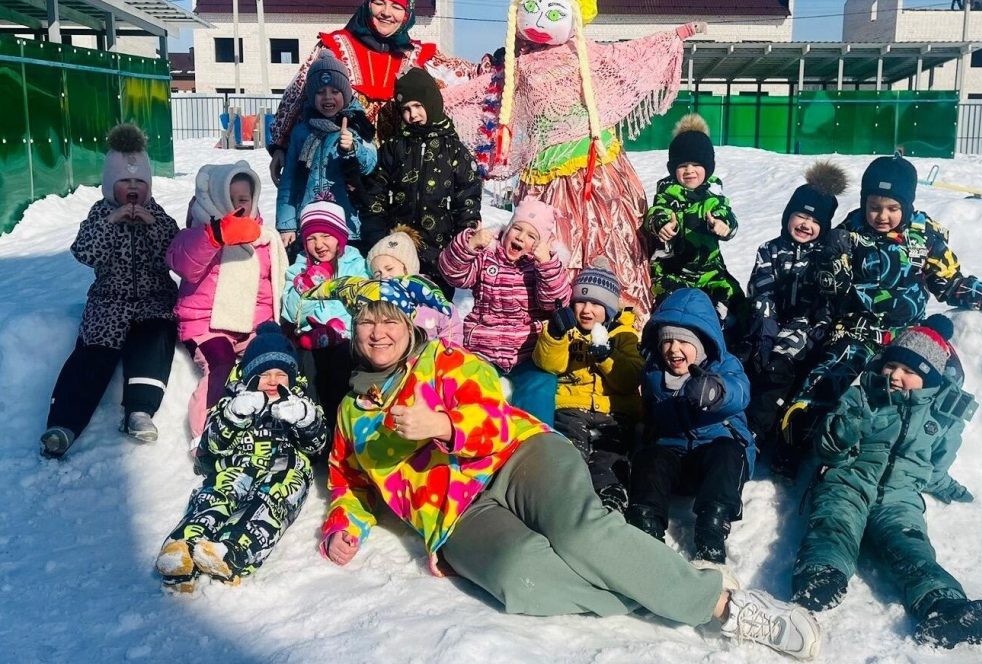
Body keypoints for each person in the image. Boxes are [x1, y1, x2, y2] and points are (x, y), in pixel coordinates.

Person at [319, 280, 822, 660]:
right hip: (456, 517)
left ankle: (725, 608)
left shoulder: (444, 362)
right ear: (354, 331)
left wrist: (445, 425)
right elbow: (349, 481)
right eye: (368, 322)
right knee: (522, 579)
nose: (379, 333)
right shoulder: (350, 413)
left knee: (579, 532)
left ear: (410, 327)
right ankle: (652, 585)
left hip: (516, 456)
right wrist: (344, 522)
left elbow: (496, 411)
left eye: (391, 322)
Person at [443, 0, 708, 322]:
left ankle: (621, 328)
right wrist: (436, 98)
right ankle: (550, 328)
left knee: (612, 242)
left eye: (554, 9)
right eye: (532, 7)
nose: (540, 18)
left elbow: (630, 56)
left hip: (597, 175)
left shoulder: (590, 54)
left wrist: (675, 35)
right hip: (542, 183)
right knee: (546, 251)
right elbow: (480, 93)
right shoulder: (516, 65)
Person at [776, 153, 982, 472]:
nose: (882, 215)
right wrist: (829, 258)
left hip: (905, 337)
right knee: (824, 381)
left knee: (943, 379)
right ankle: (798, 444)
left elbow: (948, 281)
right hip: (856, 331)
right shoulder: (851, 232)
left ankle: (926, 447)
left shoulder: (924, 235)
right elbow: (830, 289)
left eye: (893, 208)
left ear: (907, 205)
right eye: (874, 206)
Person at [790, 316, 982, 648]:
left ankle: (944, 605)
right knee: (835, 523)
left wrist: (948, 487)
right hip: (850, 480)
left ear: (930, 379)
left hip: (899, 496)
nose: (895, 375)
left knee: (911, 546)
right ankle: (821, 574)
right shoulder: (864, 395)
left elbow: (936, 465)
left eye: (909, 372)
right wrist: (849, 425)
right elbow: (829, 450)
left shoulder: (942, 417)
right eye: (891, 366)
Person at [268, 0, 479, 183]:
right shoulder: (334, 49)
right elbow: (298, 95)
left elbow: (468, 79)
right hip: (339, 175)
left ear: (408, 14)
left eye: (397, 6)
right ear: (367, 3)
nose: (386, 12)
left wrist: (509, 61)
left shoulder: (417, 57)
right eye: (379, 2)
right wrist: (279, 146)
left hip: (398, 179)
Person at [40, 125, 179, 458]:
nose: (133, 188)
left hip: (153, 300)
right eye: (125, 182)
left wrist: (154, 227)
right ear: (109, 185)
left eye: (139, 183)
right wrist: (110, 223)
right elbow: (85, 253)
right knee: (94, 352)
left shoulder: (158, 216)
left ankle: (140, 411)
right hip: (109, 302)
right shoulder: (100, 215)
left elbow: (174, 256)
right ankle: (64, 423)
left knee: (155, 340)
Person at [156, 322, 327, 591]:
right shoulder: (234, 400)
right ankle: (182, 547)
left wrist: (305, 420)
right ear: (249, 375)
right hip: (239, 466)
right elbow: (212, 445)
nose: (272, 381)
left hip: (286, 470)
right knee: (215, 496)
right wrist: (233, 416)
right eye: (264, 373)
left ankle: (232, 552)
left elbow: (317, 445)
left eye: (280, 373)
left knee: (271, 505)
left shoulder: (300, 402)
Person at [624, 288, 755, 567]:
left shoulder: (724, 365)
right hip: (673, 458)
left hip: (714, 459)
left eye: (683, 341)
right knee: (649, 458)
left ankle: (712, 530)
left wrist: (716, 392)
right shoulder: (654, 373)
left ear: (703, 342)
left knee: (728, 452)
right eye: (666, 342)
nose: (673, 349)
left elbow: (740, 391)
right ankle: (645, 525)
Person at [166, 161, 288, 447]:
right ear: (216, 199)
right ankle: (207, 435)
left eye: (243, 200)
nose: (237, 206)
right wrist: (216, 236)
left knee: (271, 360)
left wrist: (270, 327)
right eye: (229, 200)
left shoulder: (263, 239)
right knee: (220, 363)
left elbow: (269, 289)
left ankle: (272, 428)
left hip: (251, 326)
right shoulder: (198, 234)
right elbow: (183, 262)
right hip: (207, 325)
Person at [438, 197, 571, 424]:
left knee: (540, 386)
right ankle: (473, 439)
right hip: (483, 348)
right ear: (507, 230)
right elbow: (453, 274)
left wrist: (546, 264)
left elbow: (555, 301)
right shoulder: (487, 256)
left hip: (526, 353)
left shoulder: (539, 266)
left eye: (532, 236)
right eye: (517, 229)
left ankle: (535, 441)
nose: (521, 237)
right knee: (471, 390)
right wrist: (469, 246)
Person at [744, 161, 848, 447]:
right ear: (787, 216)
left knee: (779, 366)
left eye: (815, 222)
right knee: (747, 357)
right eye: (800, 216)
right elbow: (761, 290)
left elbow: (828, 301)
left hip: (805, 326)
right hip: (767, 320)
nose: (806, 225)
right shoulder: (770, 249)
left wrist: (816, 328)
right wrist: (766, 330)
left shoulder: (823, 257)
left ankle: (758, 429)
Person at [532, 261, 643, 512]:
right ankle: (570, 491)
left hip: (613, 410)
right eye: (581, 301)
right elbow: (550, 364)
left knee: (611, 451)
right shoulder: (568, 331)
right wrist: (556, 336)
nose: (586, 310)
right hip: (572, 405)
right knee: (571, 447)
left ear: (609, 309)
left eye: (596, 304)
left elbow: (630, 380)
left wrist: (606, 358)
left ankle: (611, 489)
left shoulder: (625, 335)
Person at [362, 67, 481, 293]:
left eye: (418, 106)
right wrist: (377, 233)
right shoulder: (394, 147)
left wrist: (462, 240)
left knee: (433, 312)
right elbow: (374, 191)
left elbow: (468, 197)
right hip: (397, 252)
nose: (413, 115)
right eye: (406, 109)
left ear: (431, 103)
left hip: (439, 253)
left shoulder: (454, 151)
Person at [644, 114, 745, 340]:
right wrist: (660, 225)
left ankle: (733, 340)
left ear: (707, 167)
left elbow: (725, 213)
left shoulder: (713, 195)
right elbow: (656, 212)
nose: (689, 170)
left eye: (697, 164)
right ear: (673, 169)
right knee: (671, 306)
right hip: (672, 271)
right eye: (683, 165)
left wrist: (722, 225)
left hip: (710, 271)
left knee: (735, 298)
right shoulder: (667, 193)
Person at [276, 52, 376, 253]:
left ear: (345, 94)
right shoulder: (301, 132)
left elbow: (370, 164)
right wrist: (286, 224)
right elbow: (289, 181)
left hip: (347, 222)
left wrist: (354, 148)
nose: (328, 97)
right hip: (311, 224)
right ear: (312, 97)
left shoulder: (357, 126)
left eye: (335, 91)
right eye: (320, 91)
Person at [282, 201, 368, 430]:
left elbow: (366, 304)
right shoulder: (298, 268)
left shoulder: (356, 266)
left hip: (347, 340)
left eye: (326, 236)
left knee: (342, 367)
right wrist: (307, 285)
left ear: (339, 237)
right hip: (311, 340)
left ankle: (340, 430)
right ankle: (315, 429)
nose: (319, 245)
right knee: (309, 372)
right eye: (311, 238)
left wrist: (342, 329)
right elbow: (291, 313)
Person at [366, 227, 463, 343]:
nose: (384, 276)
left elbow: (451, 325)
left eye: (389, 268)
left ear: (408, 268)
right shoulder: (376, 300)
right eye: (377, 274)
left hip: (432, 356)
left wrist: (448, 351)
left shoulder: (428, 294)